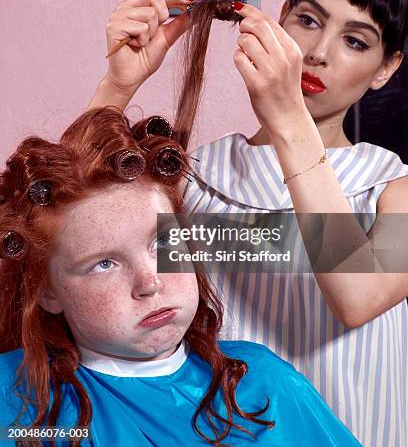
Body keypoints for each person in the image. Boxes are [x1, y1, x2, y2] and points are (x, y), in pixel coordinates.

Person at [88, 0, 408, 447]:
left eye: (355, 41)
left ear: (387, 67)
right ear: (279, 19)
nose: (318, 51)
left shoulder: (394, 188)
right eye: (308, 19)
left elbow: (357, 296)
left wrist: (288, 120)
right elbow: (60, 239)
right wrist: (117, 86)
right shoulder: (190, 178)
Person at [0, 108, 360, 446]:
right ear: (47, 291)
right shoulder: (18, 399)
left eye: (163, 241)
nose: (149, 283)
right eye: (104, 264)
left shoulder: (261, 379)